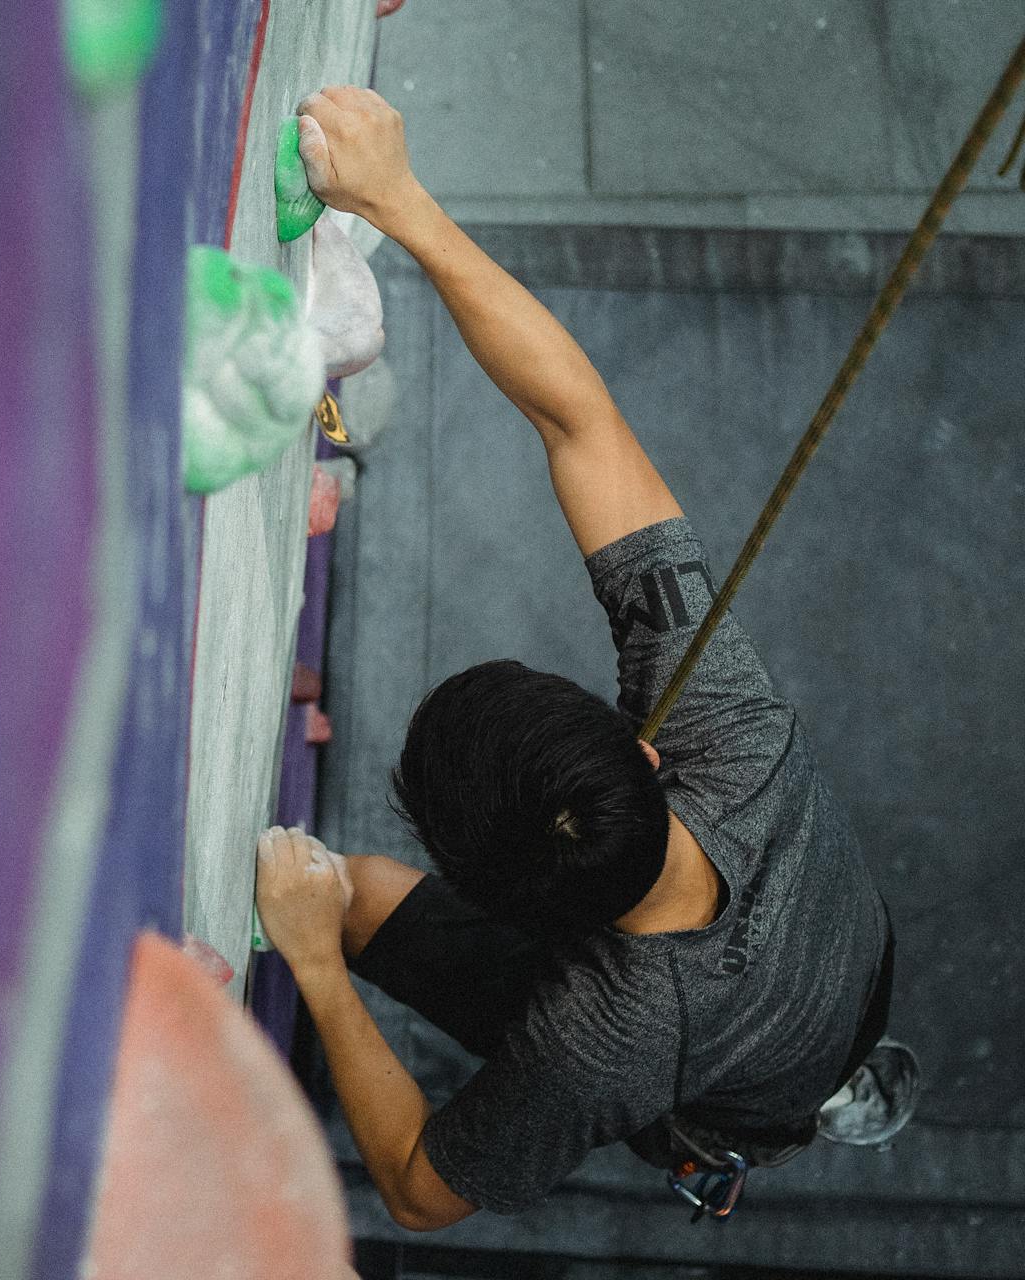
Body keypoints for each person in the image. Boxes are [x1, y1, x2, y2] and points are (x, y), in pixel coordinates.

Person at [252, 86, 908, 1230]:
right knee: (350, 889)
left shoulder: (602, 1040)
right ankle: (828, 1061)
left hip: (722, 1063)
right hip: (839, 964)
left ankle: (737, 1135)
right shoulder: (729, 729)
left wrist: (313, 961)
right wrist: (403, 203)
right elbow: (578, 424)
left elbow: (419, 1185)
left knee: (346, 900)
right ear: (648, 750)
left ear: (529, 928)